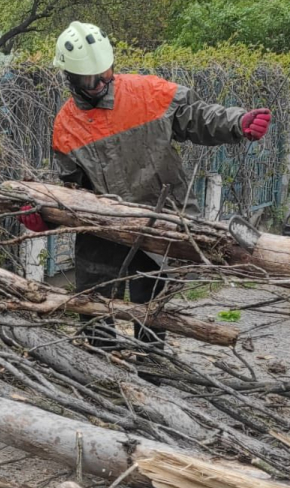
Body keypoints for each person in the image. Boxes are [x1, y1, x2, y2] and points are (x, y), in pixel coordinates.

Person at [20, 20, 272, 346]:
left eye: (105, 72)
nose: (99, 82)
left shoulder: (147, 93)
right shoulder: (65, 126)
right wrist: (45, 216)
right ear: (69, 77)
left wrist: (237, 121)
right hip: (103, 230)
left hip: (158, 218)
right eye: (89, 77)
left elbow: (197, 116)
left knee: (151, 313)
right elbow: (73, 193)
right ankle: (100, 379)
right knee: (94, 314)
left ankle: (151, 377)